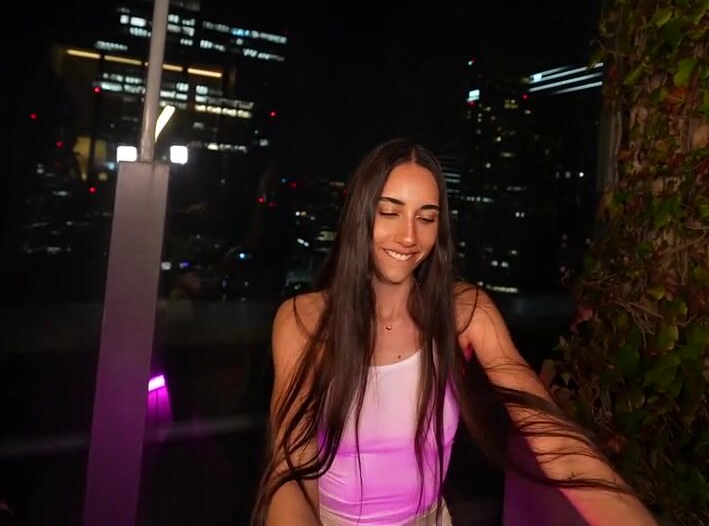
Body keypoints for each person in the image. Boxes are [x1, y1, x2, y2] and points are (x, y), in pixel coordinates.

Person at [253, 139, 656, 525]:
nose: (409, 236)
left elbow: (553, 437)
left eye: (426, 218)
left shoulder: (464, 311)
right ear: (361, 213)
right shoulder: (305, 320)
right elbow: (291, 473)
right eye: (390, 212)